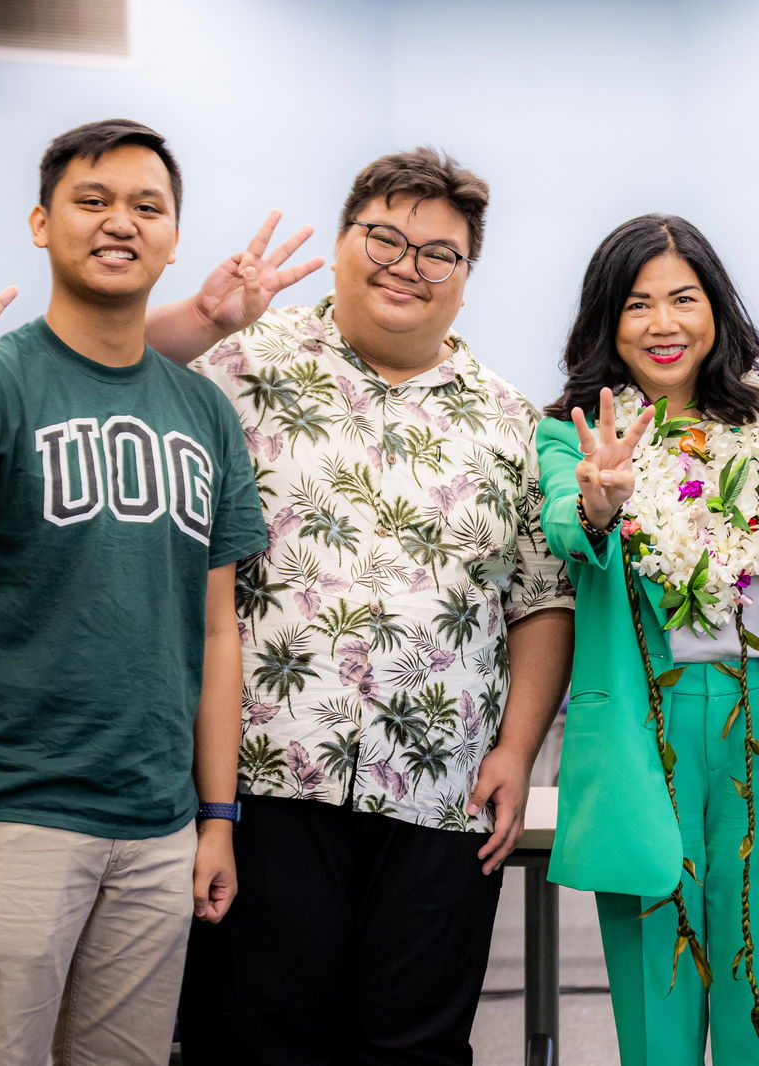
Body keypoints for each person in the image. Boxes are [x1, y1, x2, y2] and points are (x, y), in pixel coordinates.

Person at [0, 119, 268, 1065]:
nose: (121, 222)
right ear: (41, 223)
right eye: (92, 200)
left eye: (147, 206)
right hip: (8, 809)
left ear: (174, 238)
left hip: (156, 822)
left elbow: (216, 632)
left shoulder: (203, 411)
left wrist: (217, 816)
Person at [144, 147, 574, 1065]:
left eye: (439, 253)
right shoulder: (237, 365)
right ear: (342, 243)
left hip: (441, 790)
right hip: (262, 784)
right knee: (251, 1044)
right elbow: (98, 366)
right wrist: (199, 319)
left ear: (467, 276)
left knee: (414, 1049)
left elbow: (541, 600)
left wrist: (516, 748)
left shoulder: (511, 422)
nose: (407, 266)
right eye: (384, 238)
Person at [536, 214, 759, 1065]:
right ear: (608, 321)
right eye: (637, 304)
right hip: (646, 727)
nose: (663, 323)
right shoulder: (574, 433)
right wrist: (599, 502)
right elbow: (569, 520)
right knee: (659, 1004)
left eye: (683, 299)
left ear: (717, 307)